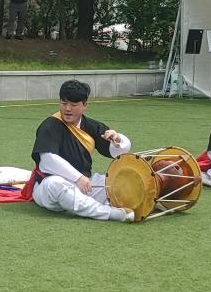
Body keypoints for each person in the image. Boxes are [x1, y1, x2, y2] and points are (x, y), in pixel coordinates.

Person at [28, 79, 136, 222]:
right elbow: (47, 161)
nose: (67, 109)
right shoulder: (50, 125)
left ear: (84, 105)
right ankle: (109, 212)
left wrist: (117, 141)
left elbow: (118, 153)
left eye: (74, 105)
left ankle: (150, 201)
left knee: (118, 180)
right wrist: (77, 178)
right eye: (64, 103)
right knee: (57, 185)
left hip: (85, 183)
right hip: (49, 186)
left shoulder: (91, 126)